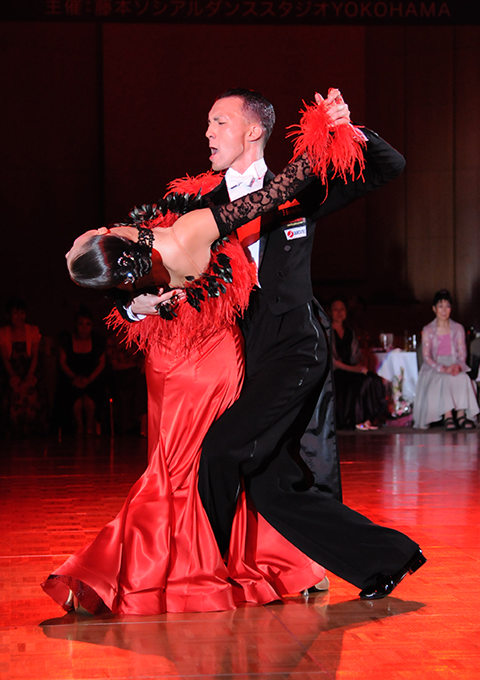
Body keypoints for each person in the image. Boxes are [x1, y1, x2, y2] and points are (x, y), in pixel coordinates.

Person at [45, 91, 427, 609]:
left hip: (294, 344)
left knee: (225, 451)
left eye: (218, 122)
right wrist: (139, 304)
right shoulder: (197, 200)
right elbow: (135, 263)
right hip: (239, 354)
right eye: (206, 122)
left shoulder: (297, 188)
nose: (207, 132)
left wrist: (349, 127)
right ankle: (384, 559)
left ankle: (200, 573)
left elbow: (388, 167)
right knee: (272, 485)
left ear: (252, 131)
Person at [414, 289, 478, 430]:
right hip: (434, 366)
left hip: (454, 363)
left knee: (463, 378)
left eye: (447, 306)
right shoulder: (428, 330)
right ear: (434, 308)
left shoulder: (458, 328)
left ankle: (461, 414)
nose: (444, 310)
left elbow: (462, 354)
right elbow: (427, 356)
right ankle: (447, 416)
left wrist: (457, 366)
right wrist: (443, 368)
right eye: (440, 306)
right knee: (444, 378)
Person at [330, 297, 387, 430]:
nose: (339, 312)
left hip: (352, 369)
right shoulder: (326, 332)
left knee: (373, 379)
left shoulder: (350, 332)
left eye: (342, 309)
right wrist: (354, 369)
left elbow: (356, 355)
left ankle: (368, 418)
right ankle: (357, 419)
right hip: (336, 372)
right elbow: (333, 361)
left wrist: (361, 365)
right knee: (359, 382)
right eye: (335, 309)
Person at [55, 307, 106, 435]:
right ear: (75, 325)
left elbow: (101, 363)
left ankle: (89, 426)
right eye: (81, 324)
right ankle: (79, 426)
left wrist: (89, 379)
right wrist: (74, 377)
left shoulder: (97, 341)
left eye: (88, 324)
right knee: (76, 400)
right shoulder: (67, 341)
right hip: (71, 379)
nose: (84, 328)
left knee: (90, 400)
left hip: (92, 379)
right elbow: (62, 362)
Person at [0, 297, 47, 436]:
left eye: (21, 313)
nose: (19, 317)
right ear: (9, 315)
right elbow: (5, 358)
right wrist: (12, 376)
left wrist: (30, 374)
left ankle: (32, 428)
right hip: (11, 371)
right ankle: (12, 429)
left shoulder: (32, 330)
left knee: (33, 391)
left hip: (29, 368)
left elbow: (34, 355)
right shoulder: (3, 332)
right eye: (15, 313)